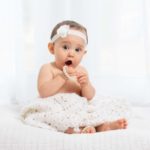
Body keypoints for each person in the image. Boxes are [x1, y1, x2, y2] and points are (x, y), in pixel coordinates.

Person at [37, 20, 128, 134]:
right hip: (57, 108)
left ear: (83, 53)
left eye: (77, 49)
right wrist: (62, 77)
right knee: (56, 118)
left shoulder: (81, 70)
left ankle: (104, 126)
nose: (71, 53)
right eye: (65, 47)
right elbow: (43, 92)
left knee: (92, 112)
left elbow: (89, 97)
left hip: (78, 108)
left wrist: (86, 84)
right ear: (51, 48)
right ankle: (78, 130)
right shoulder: (48, 68)